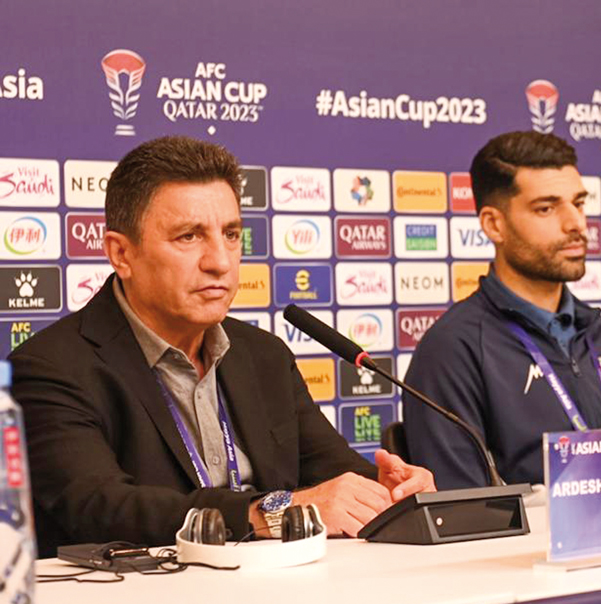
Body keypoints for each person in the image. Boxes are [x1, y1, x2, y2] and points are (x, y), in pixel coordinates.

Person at [11, 136, 434, 557]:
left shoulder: (263, 354)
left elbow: (332, 470)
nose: (220, 260)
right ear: (122, 254)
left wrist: (390, 492)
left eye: (231, 234)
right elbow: (100, 508)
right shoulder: (51, 366)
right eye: (189, 237)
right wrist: (269, 512)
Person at [403, 131, 601, 489]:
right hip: (521, 547)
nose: (575, 224)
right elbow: (462, 511)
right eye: (546, 208)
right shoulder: (452, 350)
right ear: (494, 225)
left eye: (578, 202)